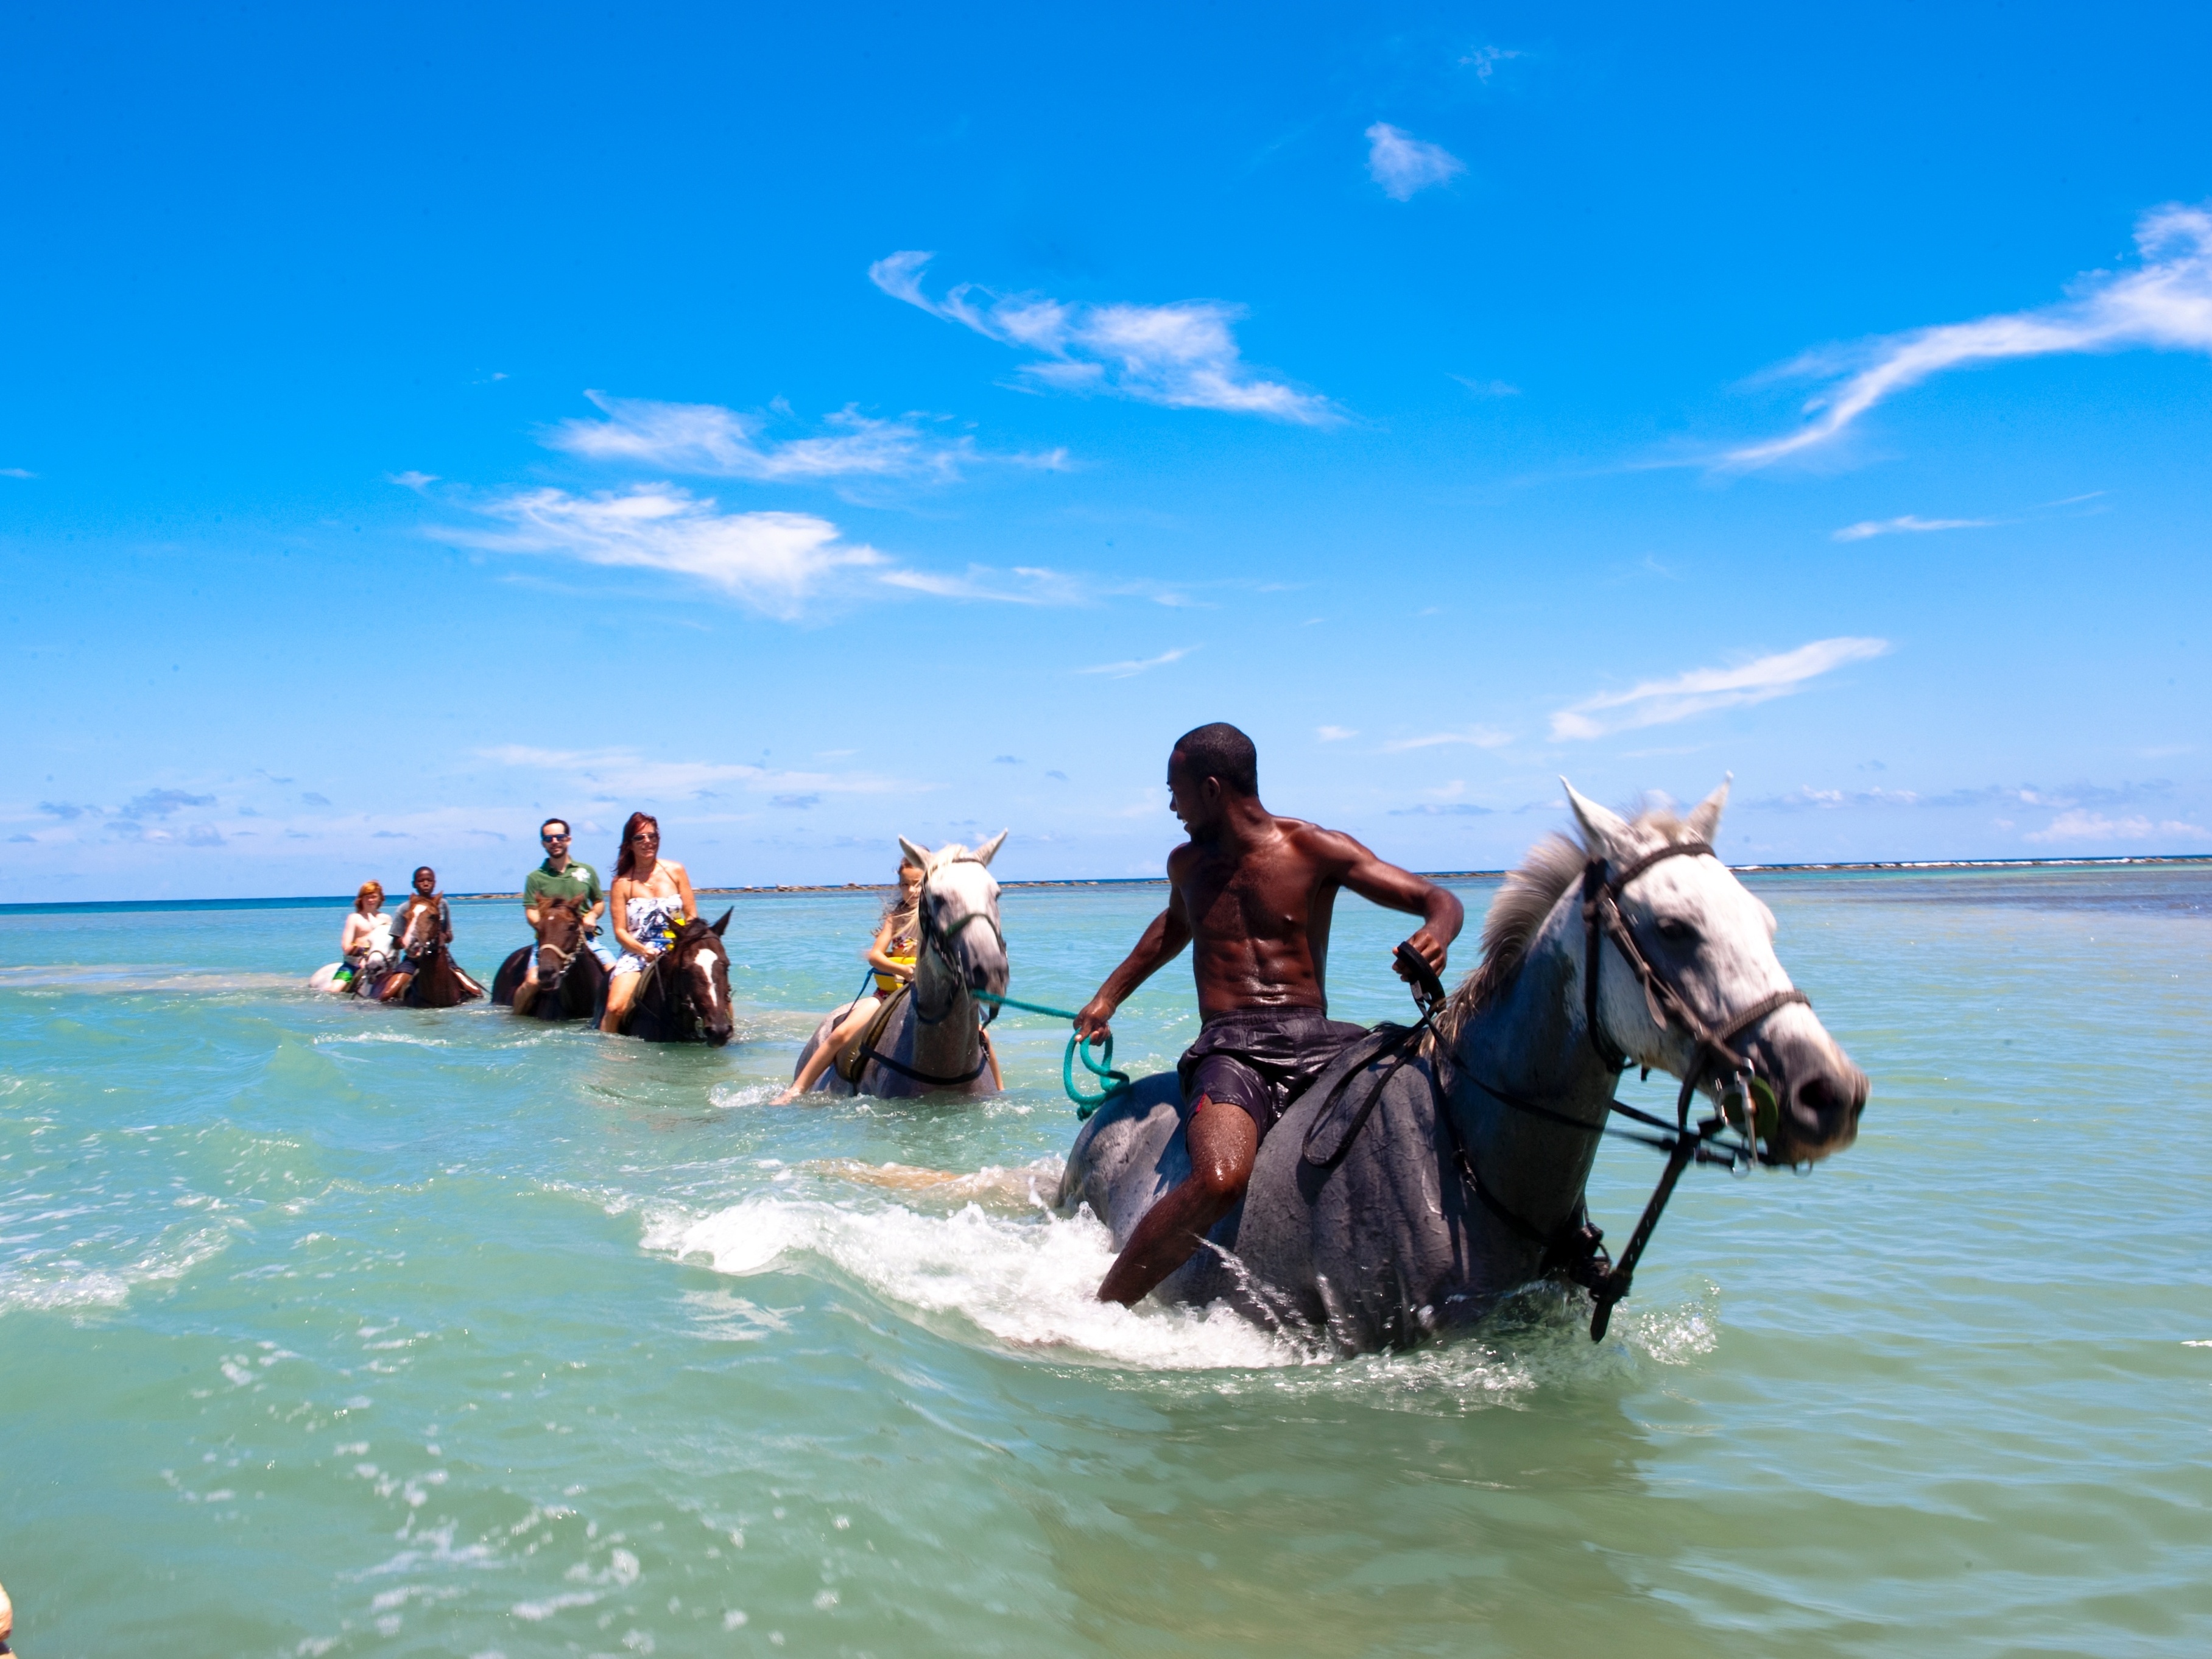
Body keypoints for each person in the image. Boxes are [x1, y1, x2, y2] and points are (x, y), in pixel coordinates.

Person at [1074, 722, 1465, 1306]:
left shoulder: (1316, 849)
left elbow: (1437, 898)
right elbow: (1174, 928)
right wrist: (1107, 999)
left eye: (1174, 790)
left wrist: (1437, 933)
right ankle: (1101, 1310)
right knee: (1220, 1178)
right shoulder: (1186, 865)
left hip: (1321, 1038)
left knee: (1431, 1106)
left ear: (1210, 789)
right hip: (1231, 1048)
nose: (1171, 806)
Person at [775, 854, 926, 1102]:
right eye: (904, 884)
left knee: (980, 1036)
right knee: (841, 1033)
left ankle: (997, 1091)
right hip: (887, 997)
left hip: (930, 996)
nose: (911, 890)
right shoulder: (896, 919)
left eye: (917, 883)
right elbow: (876, 956)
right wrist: (903, 971)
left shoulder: (941, 919)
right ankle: (797, 1090)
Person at [601, 812, 700, 1035]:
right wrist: (643, 950)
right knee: (615, 1007)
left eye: (652, 836)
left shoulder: (676, 871)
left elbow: (691, 915)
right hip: (638, 952)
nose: (648, 841)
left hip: (678, 947)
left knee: (713, 987)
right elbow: (619, 932)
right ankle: (608, 1053)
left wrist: (683, 943)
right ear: (630, 844)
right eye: (640, 837)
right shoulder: (621, 883)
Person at [515, 817, 608, 1015]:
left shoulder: (586, 871)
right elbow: (531, 911)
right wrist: (549, 926)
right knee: (532, 982)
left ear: (569, 840)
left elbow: (599, 903)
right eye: (549, 838)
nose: (555, 841)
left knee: (614, 973)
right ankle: (514, 1021)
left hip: (586, 939)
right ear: (543, 843)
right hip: (548, 942)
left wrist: (592, 916)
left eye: (560, 837)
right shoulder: (535, 877)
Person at [382, 865, 484, 1002]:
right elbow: (395, 943)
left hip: (440, 957)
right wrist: (405, 942)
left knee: (476, 992)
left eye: (429, 880)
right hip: (414, 960)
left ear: (434, 883)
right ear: (414, 884)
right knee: (387, 994)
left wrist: (443, 936)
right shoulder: (404, 909)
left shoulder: (442, 905)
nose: (426, 883)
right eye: (421, 880)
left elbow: (450, 936)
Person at [328, 880, 394, 994]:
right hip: (354, 964)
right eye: (367, 897)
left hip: (379, 965)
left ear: (380, 898)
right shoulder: (354, 918)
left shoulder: (386, 919)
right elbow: (346, 947)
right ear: (361, 899)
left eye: (373, 897)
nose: (370, 900)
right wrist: (361, 950)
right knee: (334, 991)